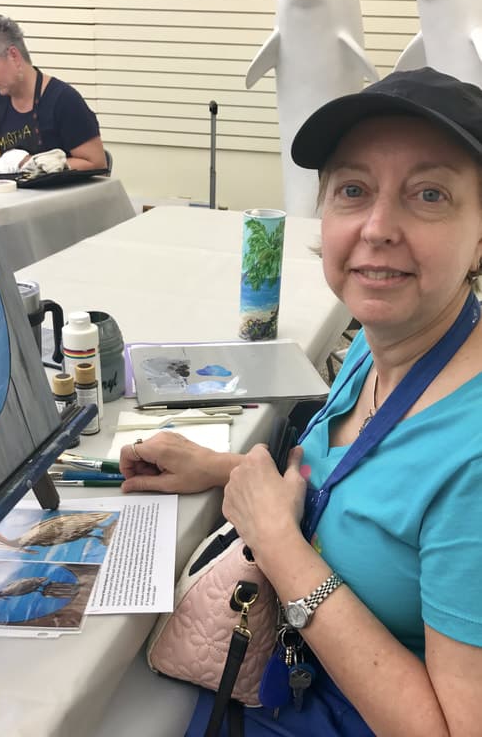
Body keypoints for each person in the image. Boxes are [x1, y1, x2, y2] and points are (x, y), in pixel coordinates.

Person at [119, 67, 482, 736]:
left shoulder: (472, 459)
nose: (377, 227)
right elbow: (358, 487)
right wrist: (221, 469)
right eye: (353, 190)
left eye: (429, 194)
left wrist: (278, 545)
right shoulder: (382, 342)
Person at [0, 14, 106, 171]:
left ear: (13, 55)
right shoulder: (0, 99)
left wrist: (36, 163)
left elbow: (97, 163)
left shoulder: (63, 101)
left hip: (58, 187)